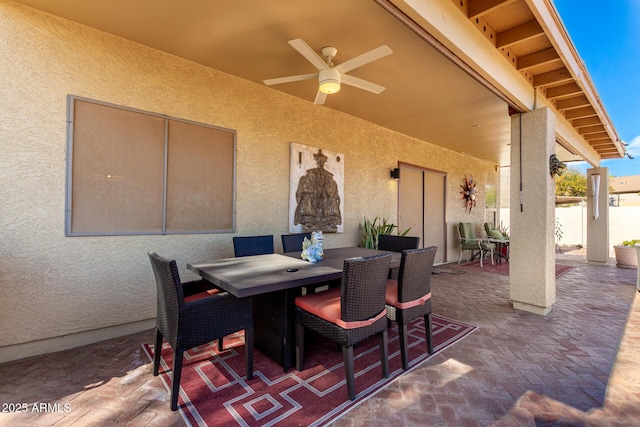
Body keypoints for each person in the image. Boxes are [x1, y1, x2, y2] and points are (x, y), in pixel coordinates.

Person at [294, 149, 342, 232]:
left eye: (323, 161)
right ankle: (308, 221)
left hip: (324, 196)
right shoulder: (309, 174)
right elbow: (301, 191)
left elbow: (334, 192)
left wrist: (327, 193)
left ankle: (331, 221)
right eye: (320, 161)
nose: (321, 163)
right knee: (307, 200)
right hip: (313, 196)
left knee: (332, 201)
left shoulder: (329, 177)